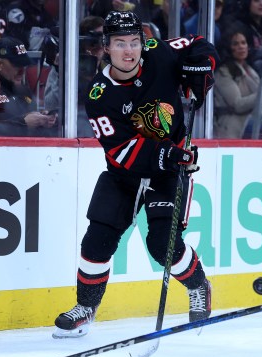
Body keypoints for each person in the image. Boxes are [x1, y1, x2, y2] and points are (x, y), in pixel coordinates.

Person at [52, 10, 218, 338]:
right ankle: (86, 307)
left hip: (168, 173)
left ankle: (199, 287)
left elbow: (200, 44)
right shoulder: (99, 95)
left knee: (163, 245)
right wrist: (168, 153)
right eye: (119, 43)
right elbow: (122, 151)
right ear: (106, 48)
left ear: (143, 42)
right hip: (124, 173)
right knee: (96, 240)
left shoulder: (159, 51)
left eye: (133, 42)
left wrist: (202, 68)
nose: (129, 51)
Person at [213, 24, 262, 139]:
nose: (241, 47)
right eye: (235, 44)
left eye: (243, 43)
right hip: (234, 124)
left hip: (251, 117)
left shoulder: (250, 70)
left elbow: (255, 102)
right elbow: (238, 105)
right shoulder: (223, 73)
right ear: (228, 48)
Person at [0, 36, 57, 136]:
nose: (22, 71)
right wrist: (23, 123)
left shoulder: (22, 89)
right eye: (17, 65)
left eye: (24, 65)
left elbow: (31, 111)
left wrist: (42, 118)